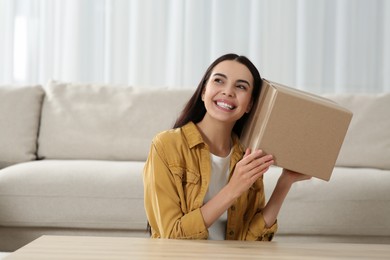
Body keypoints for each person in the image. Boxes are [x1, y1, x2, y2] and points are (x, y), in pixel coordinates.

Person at [143, 53, 311, 241]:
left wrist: (285, 182)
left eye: (240, 86)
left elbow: (252, 240)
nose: (228, 91)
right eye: (219, 81)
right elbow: (171, 234)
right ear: (204, 91)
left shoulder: (247, 154)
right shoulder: (166, 146)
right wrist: (233, 189)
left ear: (250, 105)